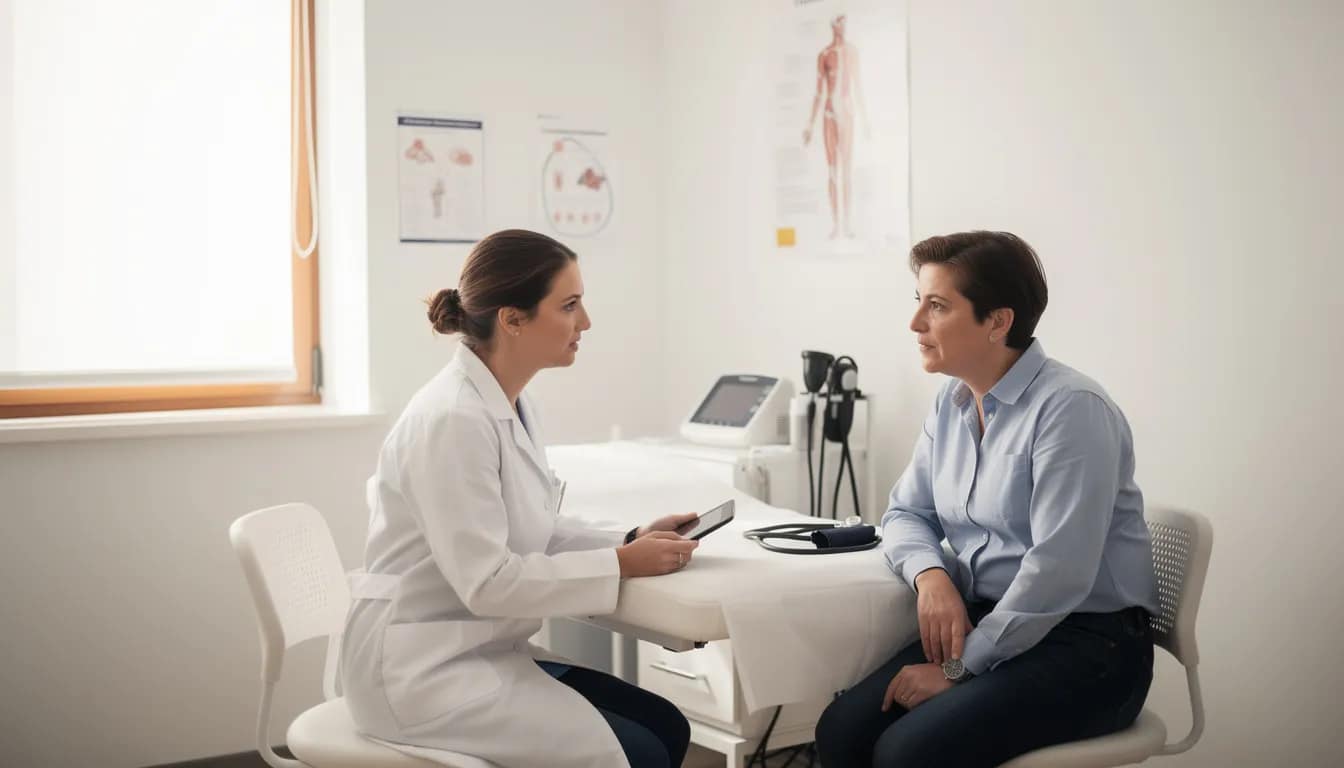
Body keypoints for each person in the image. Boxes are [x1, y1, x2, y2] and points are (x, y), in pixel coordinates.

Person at [340, 229, 697, 768]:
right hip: (419, 669)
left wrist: (629, 540)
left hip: (476, 648)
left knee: (666, 726)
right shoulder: (452, 420)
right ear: (512, 319)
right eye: (570, 305)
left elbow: (533, 526)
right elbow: (488, 584)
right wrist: (621, 563)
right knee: (642, 751)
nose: (587, 322)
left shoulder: (510, 404)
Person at [814, 231, 1160, 767]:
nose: (915, 324)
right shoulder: (950, 404)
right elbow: (906, 512)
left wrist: (959, 669)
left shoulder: (1071, 410)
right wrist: (930, 577)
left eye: (938, 306)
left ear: (998, 322)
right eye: (919, 302)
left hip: (1089, 647)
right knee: (841, 730)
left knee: (909, 752)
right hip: (991, 621)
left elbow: (1058, 573)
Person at [802, 14, 868, 239]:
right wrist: (809, 126)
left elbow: (858, 87)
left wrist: (866, 120)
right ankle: (836, 224)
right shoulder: (824, 55)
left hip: (847, 113)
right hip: (830, 114)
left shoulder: (852, 52)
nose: (844, 25)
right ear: (832, 24)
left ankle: (847, 224)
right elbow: (818, 92)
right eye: (840, 21)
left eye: (845, 21)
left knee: (846, 170)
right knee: (832, 171)